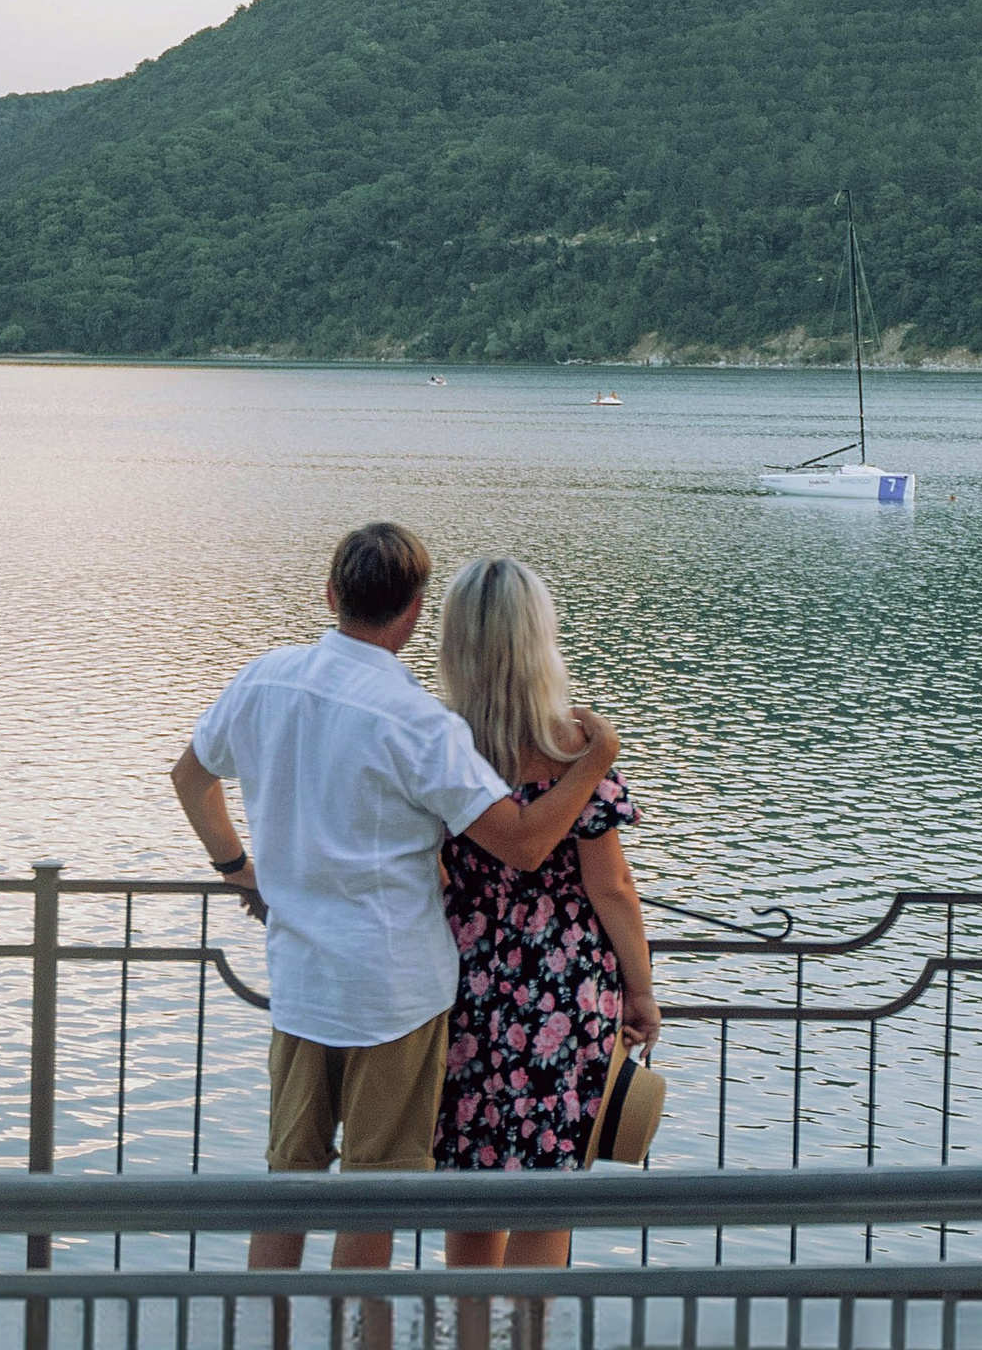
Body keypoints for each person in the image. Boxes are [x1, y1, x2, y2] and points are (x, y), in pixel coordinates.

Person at [170, 523, 619, 1345]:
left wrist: (239, 871)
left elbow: (191, 778)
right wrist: (593, 765)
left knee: (289, 1184)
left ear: (331, 594)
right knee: (374, 1196)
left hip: (301, 980)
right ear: (414, 613)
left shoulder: (263, 681)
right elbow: (521, 843)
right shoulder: (418, 724)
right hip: (395, 993)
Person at [431, 557, 658, 1340]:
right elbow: (612, 891)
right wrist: (643, 990)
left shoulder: (442, 746)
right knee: (547, 1184)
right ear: (541, 639)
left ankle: (468, 1338)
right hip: (564, 997)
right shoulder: (575, 749)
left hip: (463, 987)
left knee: (470, 1185)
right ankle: (527, 1338)